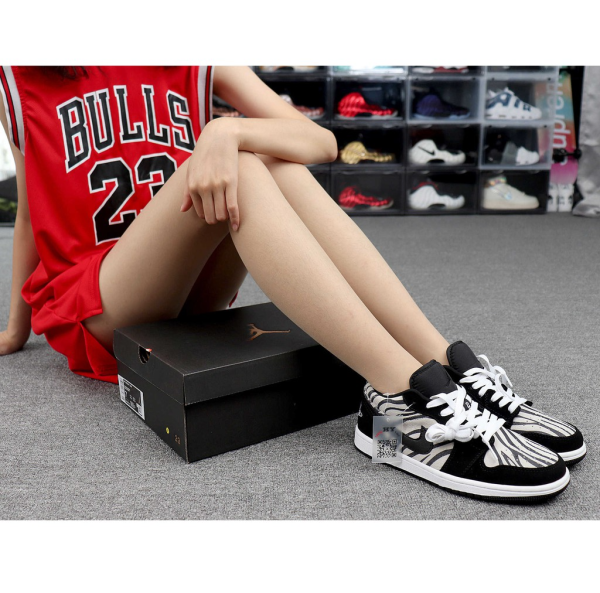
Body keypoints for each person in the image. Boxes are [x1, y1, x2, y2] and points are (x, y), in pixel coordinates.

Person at [0, 65, 586, 502]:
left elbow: (320, 143)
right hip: (98, 301)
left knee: (266, 156)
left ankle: (445, 368)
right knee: (249, 167)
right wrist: (15, 329)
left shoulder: (191, 53)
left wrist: (223, 133)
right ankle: (400, 400)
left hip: (192, 289)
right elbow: (32, 211)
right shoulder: (20, 75)